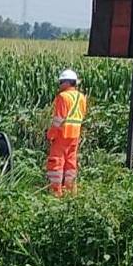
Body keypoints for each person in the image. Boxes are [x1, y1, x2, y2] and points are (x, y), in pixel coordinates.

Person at [46, 69, 88, 197]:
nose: (59, 85)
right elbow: (82, 114)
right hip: (75, 134)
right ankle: (70, 190)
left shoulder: (63, 97)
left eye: (60, 82)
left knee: (56, 162)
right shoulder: (81, 97)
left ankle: (56, 191)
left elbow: (59, 119)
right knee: (71, 163)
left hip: (62, 134)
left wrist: (50, 135)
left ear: (66, 83)